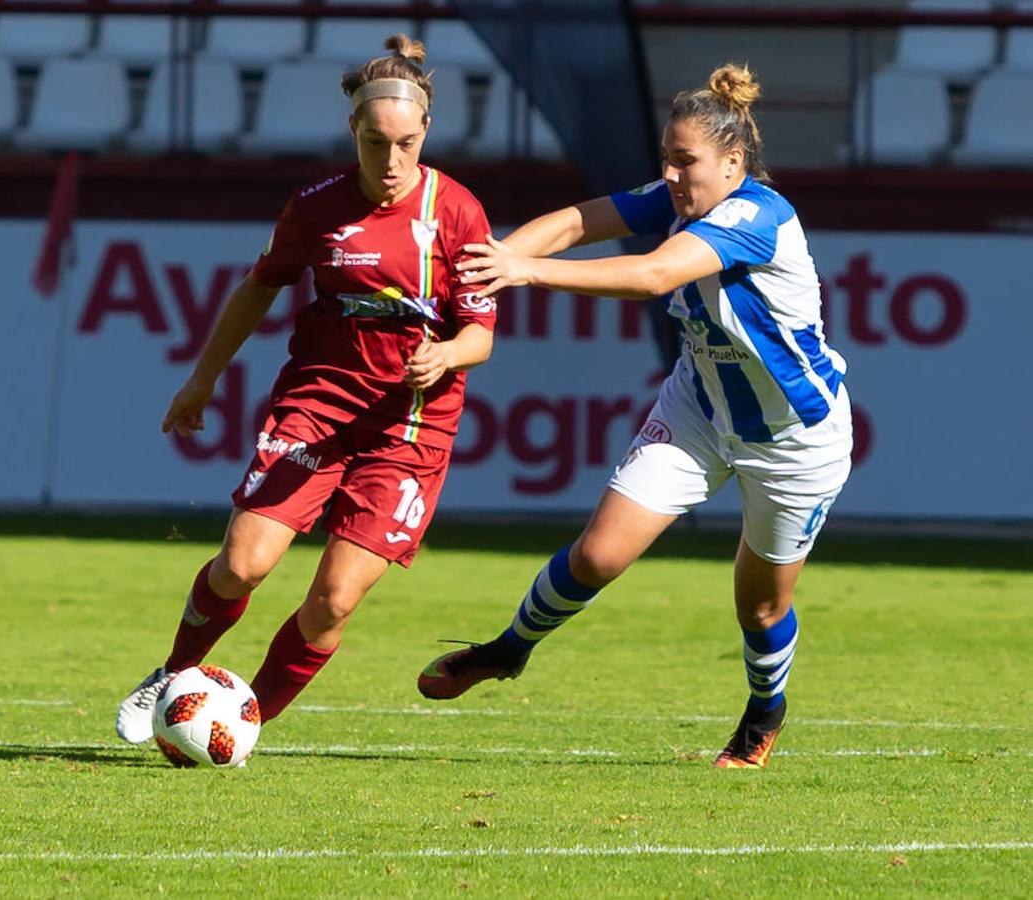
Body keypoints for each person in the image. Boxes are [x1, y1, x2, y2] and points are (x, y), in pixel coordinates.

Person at [416, 63, 852, 769]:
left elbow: (651, 275)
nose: (674, 176)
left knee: (761, 608)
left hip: (794, 439)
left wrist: (525, 274)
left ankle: (764, 711)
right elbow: (575, 221)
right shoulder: (679, 200)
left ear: (734, 162)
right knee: (598, 553)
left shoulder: (755, 216)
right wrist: (490, 258)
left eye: (688, 162)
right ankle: (508, 649)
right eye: (667, 160)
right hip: (701, 408)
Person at [116, 34, 498, 744]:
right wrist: (201, 381)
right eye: (376, 143)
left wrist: (445, 354)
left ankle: (240, 723)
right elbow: (259, 287)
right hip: (318, 405)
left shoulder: (457, 212)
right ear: (353, 130)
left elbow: (481, 334)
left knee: (332, 601)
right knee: (241, 564)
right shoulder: (317, 207)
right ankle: (171, 676)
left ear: (426, 133)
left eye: (407, 144)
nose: (392, 162)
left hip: (410, 430)